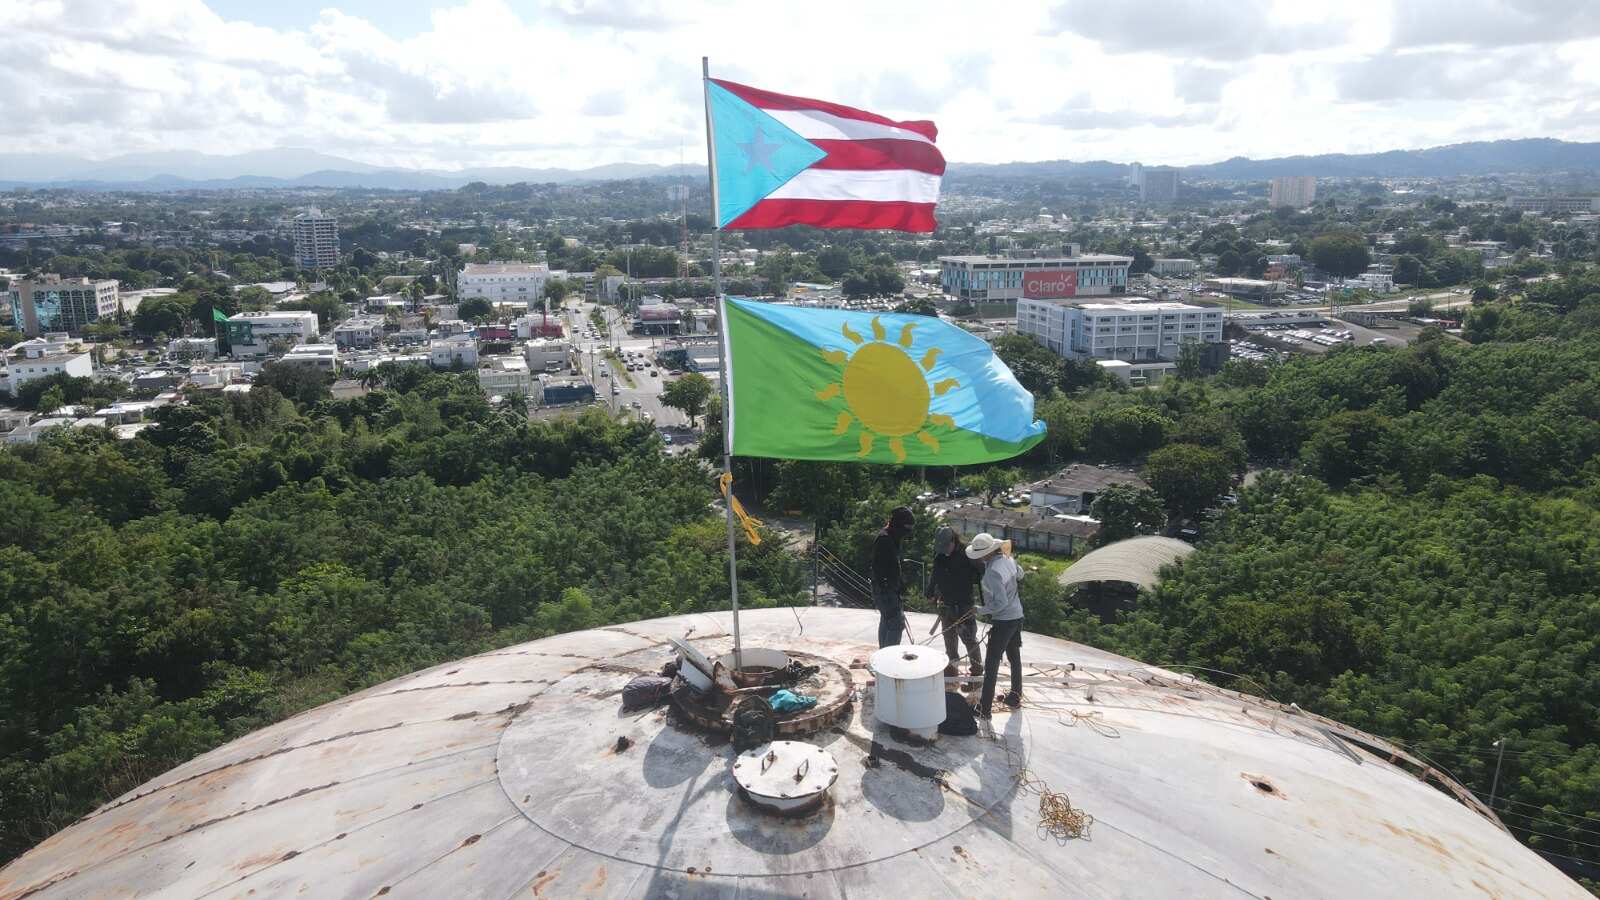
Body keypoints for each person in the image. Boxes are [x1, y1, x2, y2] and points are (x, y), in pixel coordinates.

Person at [966, 532, 1024, 717]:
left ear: (984, 554)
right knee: (1014, 657)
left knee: (991, 664)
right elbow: (1020, 574)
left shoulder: (991, 572)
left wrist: (979, 609)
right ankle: (1015, 696)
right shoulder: (1007, 558)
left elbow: (1000, 603)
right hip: (1017, 615)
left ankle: (985, 708)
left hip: (1004, 620)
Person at [927, 526, 983, 678]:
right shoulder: (940, 555)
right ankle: (952, 673)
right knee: (949, 641)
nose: (944, 550)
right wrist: (930, 590)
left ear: (954, 541)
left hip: (964, 606)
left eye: (947, 547)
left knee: (969, 640)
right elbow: (935, 574)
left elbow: (982, 574)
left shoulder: (967, 555)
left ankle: (976, 675)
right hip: (946, 604)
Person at [870, 506, 915, 648]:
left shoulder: (892, 537)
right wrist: (888, 590)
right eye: (907, 527)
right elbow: (879, 569)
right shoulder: (885, 539)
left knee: (886, 620)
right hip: (885, 591)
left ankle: (882, 654)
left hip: (887, 590)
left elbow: (892, 567)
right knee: (896, 624)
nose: (908, 531)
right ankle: (887, 659)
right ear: (899, 524)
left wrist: (899, 584)